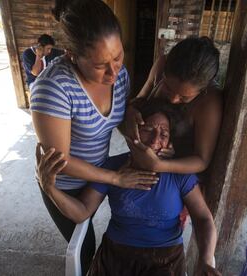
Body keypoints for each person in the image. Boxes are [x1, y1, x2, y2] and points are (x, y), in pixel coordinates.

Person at [30, 1, 158, 274]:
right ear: (72, 55)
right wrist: (115, 178)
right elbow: (60, 161)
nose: (113, 72)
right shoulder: (53, 88)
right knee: (85, 249)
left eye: (118, 57)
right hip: (64, 182)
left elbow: (117, 116)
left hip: (99, 169)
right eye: (101, 65)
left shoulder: (119, 75)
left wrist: (132, 121)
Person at [37, 103, 221, 276]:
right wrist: (50, 188)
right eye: (148, 130)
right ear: (132, 132)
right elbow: (81, 212)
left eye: (164, 134)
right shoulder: (113, 167)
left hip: (165, 258)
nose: (155, 140)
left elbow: (203, 218)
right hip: (116, 253)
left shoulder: (179, 173)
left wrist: (205, 261)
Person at [124, 37, 223, 176]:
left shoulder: (209, 102)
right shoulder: (162, 64)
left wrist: (159, 165)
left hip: (175, 174)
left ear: (203, 89)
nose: (173, 99)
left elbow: (202, 160)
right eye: (168, 88)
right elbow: (140, 99)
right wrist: (131, 110)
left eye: (184, 97)